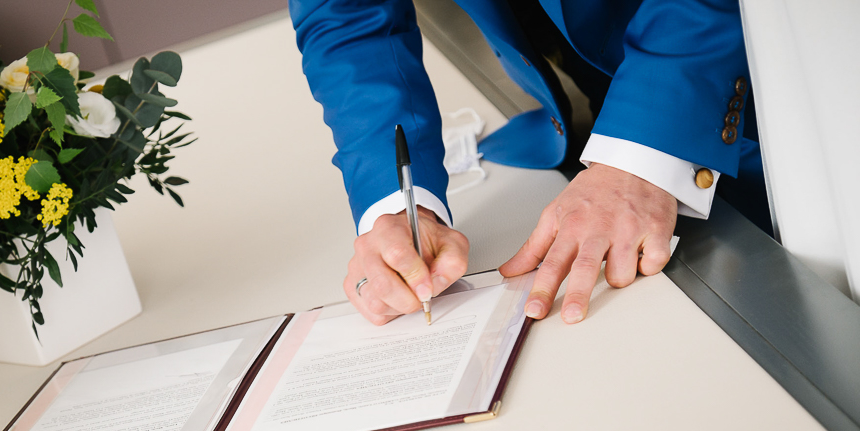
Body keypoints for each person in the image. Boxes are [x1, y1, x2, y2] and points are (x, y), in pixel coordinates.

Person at [289, 0, 764, 325]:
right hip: (594, 95)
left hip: (755, 92)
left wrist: (640, 155)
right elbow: (346, 19)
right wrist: (396, 207)